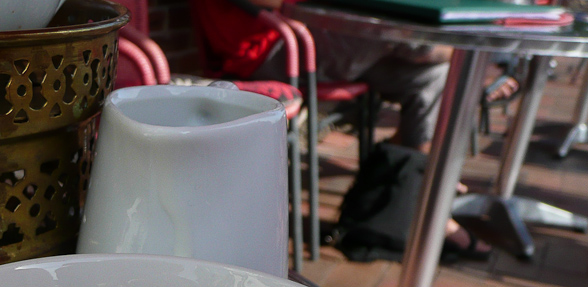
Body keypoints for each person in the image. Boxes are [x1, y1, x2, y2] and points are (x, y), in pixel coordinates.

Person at [193, 0, 494, 258]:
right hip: (272, 50)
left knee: (433, 76)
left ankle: (419, 201)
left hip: (314, 35)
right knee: (392, 27)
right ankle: (462, 53)